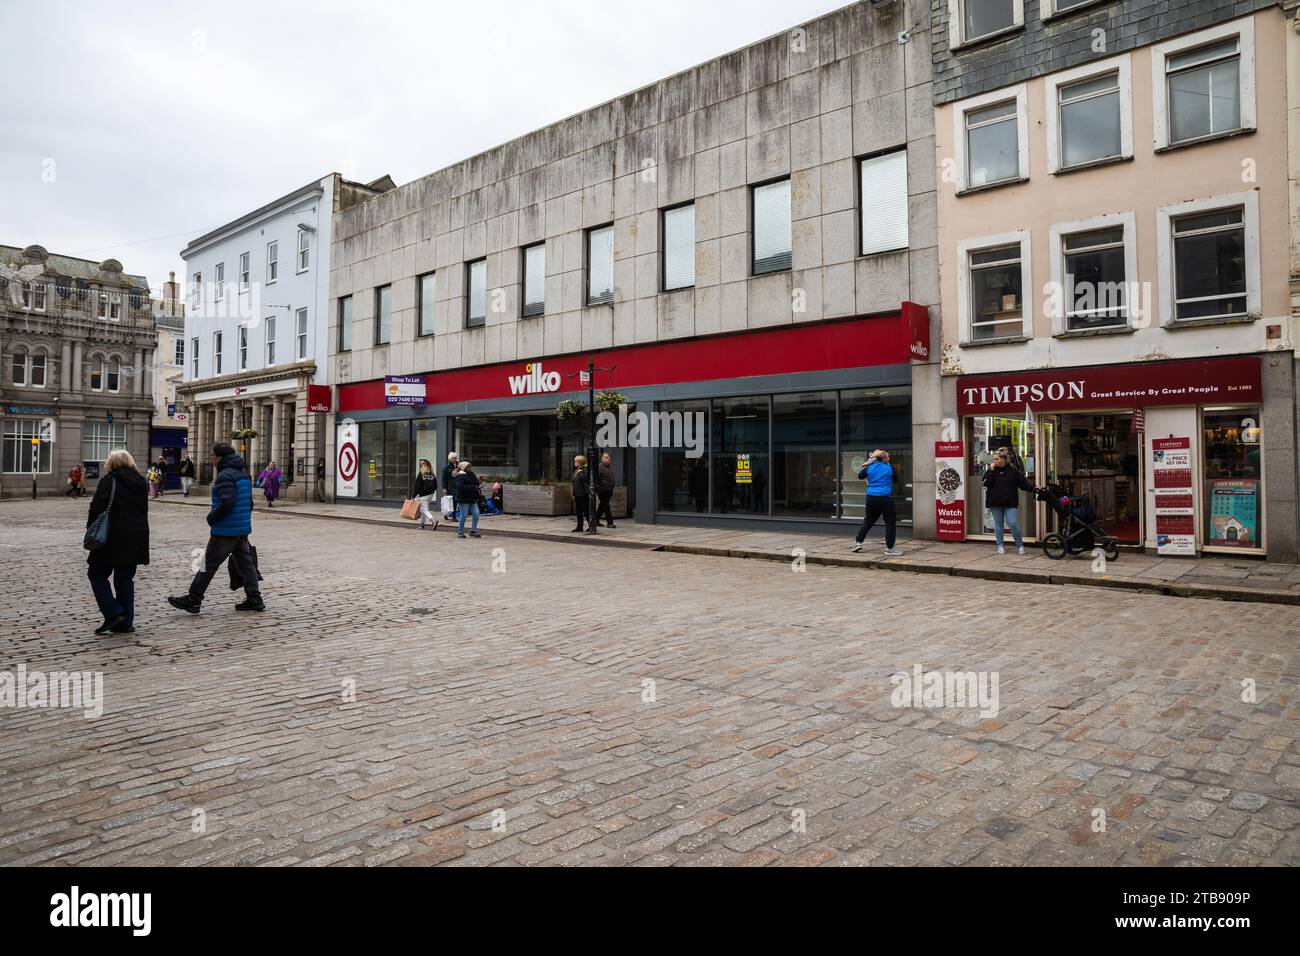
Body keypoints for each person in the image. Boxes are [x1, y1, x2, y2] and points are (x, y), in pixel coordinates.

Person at [167, 442, 265, 614]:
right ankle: (254, 598)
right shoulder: (242, 473)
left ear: (220, 457)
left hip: (226, 529)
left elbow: (227, 502)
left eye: (213, 455)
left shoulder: (225, 476)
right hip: (241, 528)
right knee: (246, 564)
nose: (211, 459)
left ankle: (194, 599)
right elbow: (249, 503)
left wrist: (212, 518)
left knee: (208, 564)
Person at [86, 449, 150, 635]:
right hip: (136, 536)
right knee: (124, 579)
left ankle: (114, 613)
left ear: (111, 464)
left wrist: (91, 527)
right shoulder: (140, 481)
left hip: (111, 537)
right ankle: (126, 622)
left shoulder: (109, 480)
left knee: (96, 574)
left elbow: (97, 508)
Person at [851, 449, 902, 556]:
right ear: (883, 458)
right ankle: (890, 548)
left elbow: (860, 476)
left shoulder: (870, 467)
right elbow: (896, 480)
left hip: (871, 498)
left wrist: (866, 464)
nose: (889, 458)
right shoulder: (890, 468)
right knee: (890, 523)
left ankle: (858, 543)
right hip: (885, 498)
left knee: (868, 520)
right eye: (887, 457)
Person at [983, 448, 1033, 555]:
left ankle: (1020, 545)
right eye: (993, 459)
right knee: (998, 525)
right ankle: (1000, 545)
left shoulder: (1013, 470)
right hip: (995, 502)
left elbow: (1023, 483)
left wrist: (1033, 488)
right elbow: (986, 484)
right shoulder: (991, 470)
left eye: (996, 459)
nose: (994, 461)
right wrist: (991, 470)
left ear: (1003, 459)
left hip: (1010, 502)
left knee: (1013, 523)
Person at [453, 461, 481, 538]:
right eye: (468, 467)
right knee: (464, 515)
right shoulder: (460, 476)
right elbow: (460, 488)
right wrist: (473, 487)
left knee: (476, 513)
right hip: (463, 498)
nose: (470, 468)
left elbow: (476, 483)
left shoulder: (472, 474)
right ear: (464, 468)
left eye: (470, 466)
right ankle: (461, 532)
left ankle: (473, 531)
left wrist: (478, 485)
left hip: (472, 498)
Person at [411, 458, 439, 530]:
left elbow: (417, 486)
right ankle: (422, 524)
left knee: (424, 509)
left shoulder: (421, 475)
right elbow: (436, 486)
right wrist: (431, 491)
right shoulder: (432, 475)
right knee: (424, 508)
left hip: (423, 495)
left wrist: (413, 495)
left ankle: (433, 520)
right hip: (430, 495)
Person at [595, 451, 616, 529]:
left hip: (609, 490)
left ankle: (596, 520)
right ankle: (610, 522)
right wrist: (599, 488)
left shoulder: (609, 466)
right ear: (602, 458)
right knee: (606, 505)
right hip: (602, 490)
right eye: (606, 457)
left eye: (609, 457)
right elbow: (596, 479)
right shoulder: (599, 467)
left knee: (602, 505)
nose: (608, 459)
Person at [571, 454, 591, 533]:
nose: (574, 463)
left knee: (586, 511)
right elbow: (572, 480)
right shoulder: (576, 470)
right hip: (577, 494)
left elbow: (586, 480)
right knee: (578, 511)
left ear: (579, 462)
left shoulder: (585, 470)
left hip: (583, 494)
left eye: (575, 461)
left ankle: (591, 525)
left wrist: (581, 472)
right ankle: (579, 526)